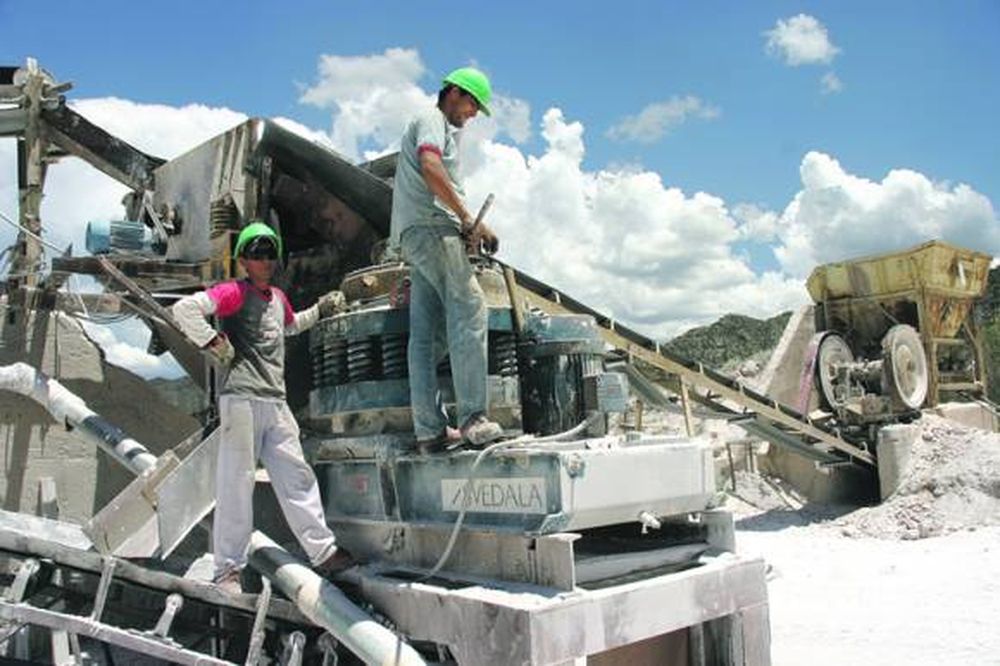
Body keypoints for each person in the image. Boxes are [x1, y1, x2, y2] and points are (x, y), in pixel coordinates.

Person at [172, 222, 350, 593]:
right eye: (256, 254)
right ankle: (228, 570)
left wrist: (320, 309)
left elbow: (290, 326)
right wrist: (211, 341)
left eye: (270, 253)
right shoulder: (234, 293)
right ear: (243, 260)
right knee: (236, 483)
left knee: (296, 476)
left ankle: (324, 553)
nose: (264, 260)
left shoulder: (278, 298)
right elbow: (185, 310)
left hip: (274, 401)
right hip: (241, 400)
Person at [389, 66, 504, 454]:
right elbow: (431, 167)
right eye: (473, 104)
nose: (473, 114)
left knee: (426, 337)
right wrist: (467, 219)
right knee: (471, 308)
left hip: (416, 234)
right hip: (432, 227)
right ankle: (474, 417)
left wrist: (464, 224)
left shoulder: (432, 123)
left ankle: (429, 430)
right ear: (453, 92)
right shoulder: (431, 119)